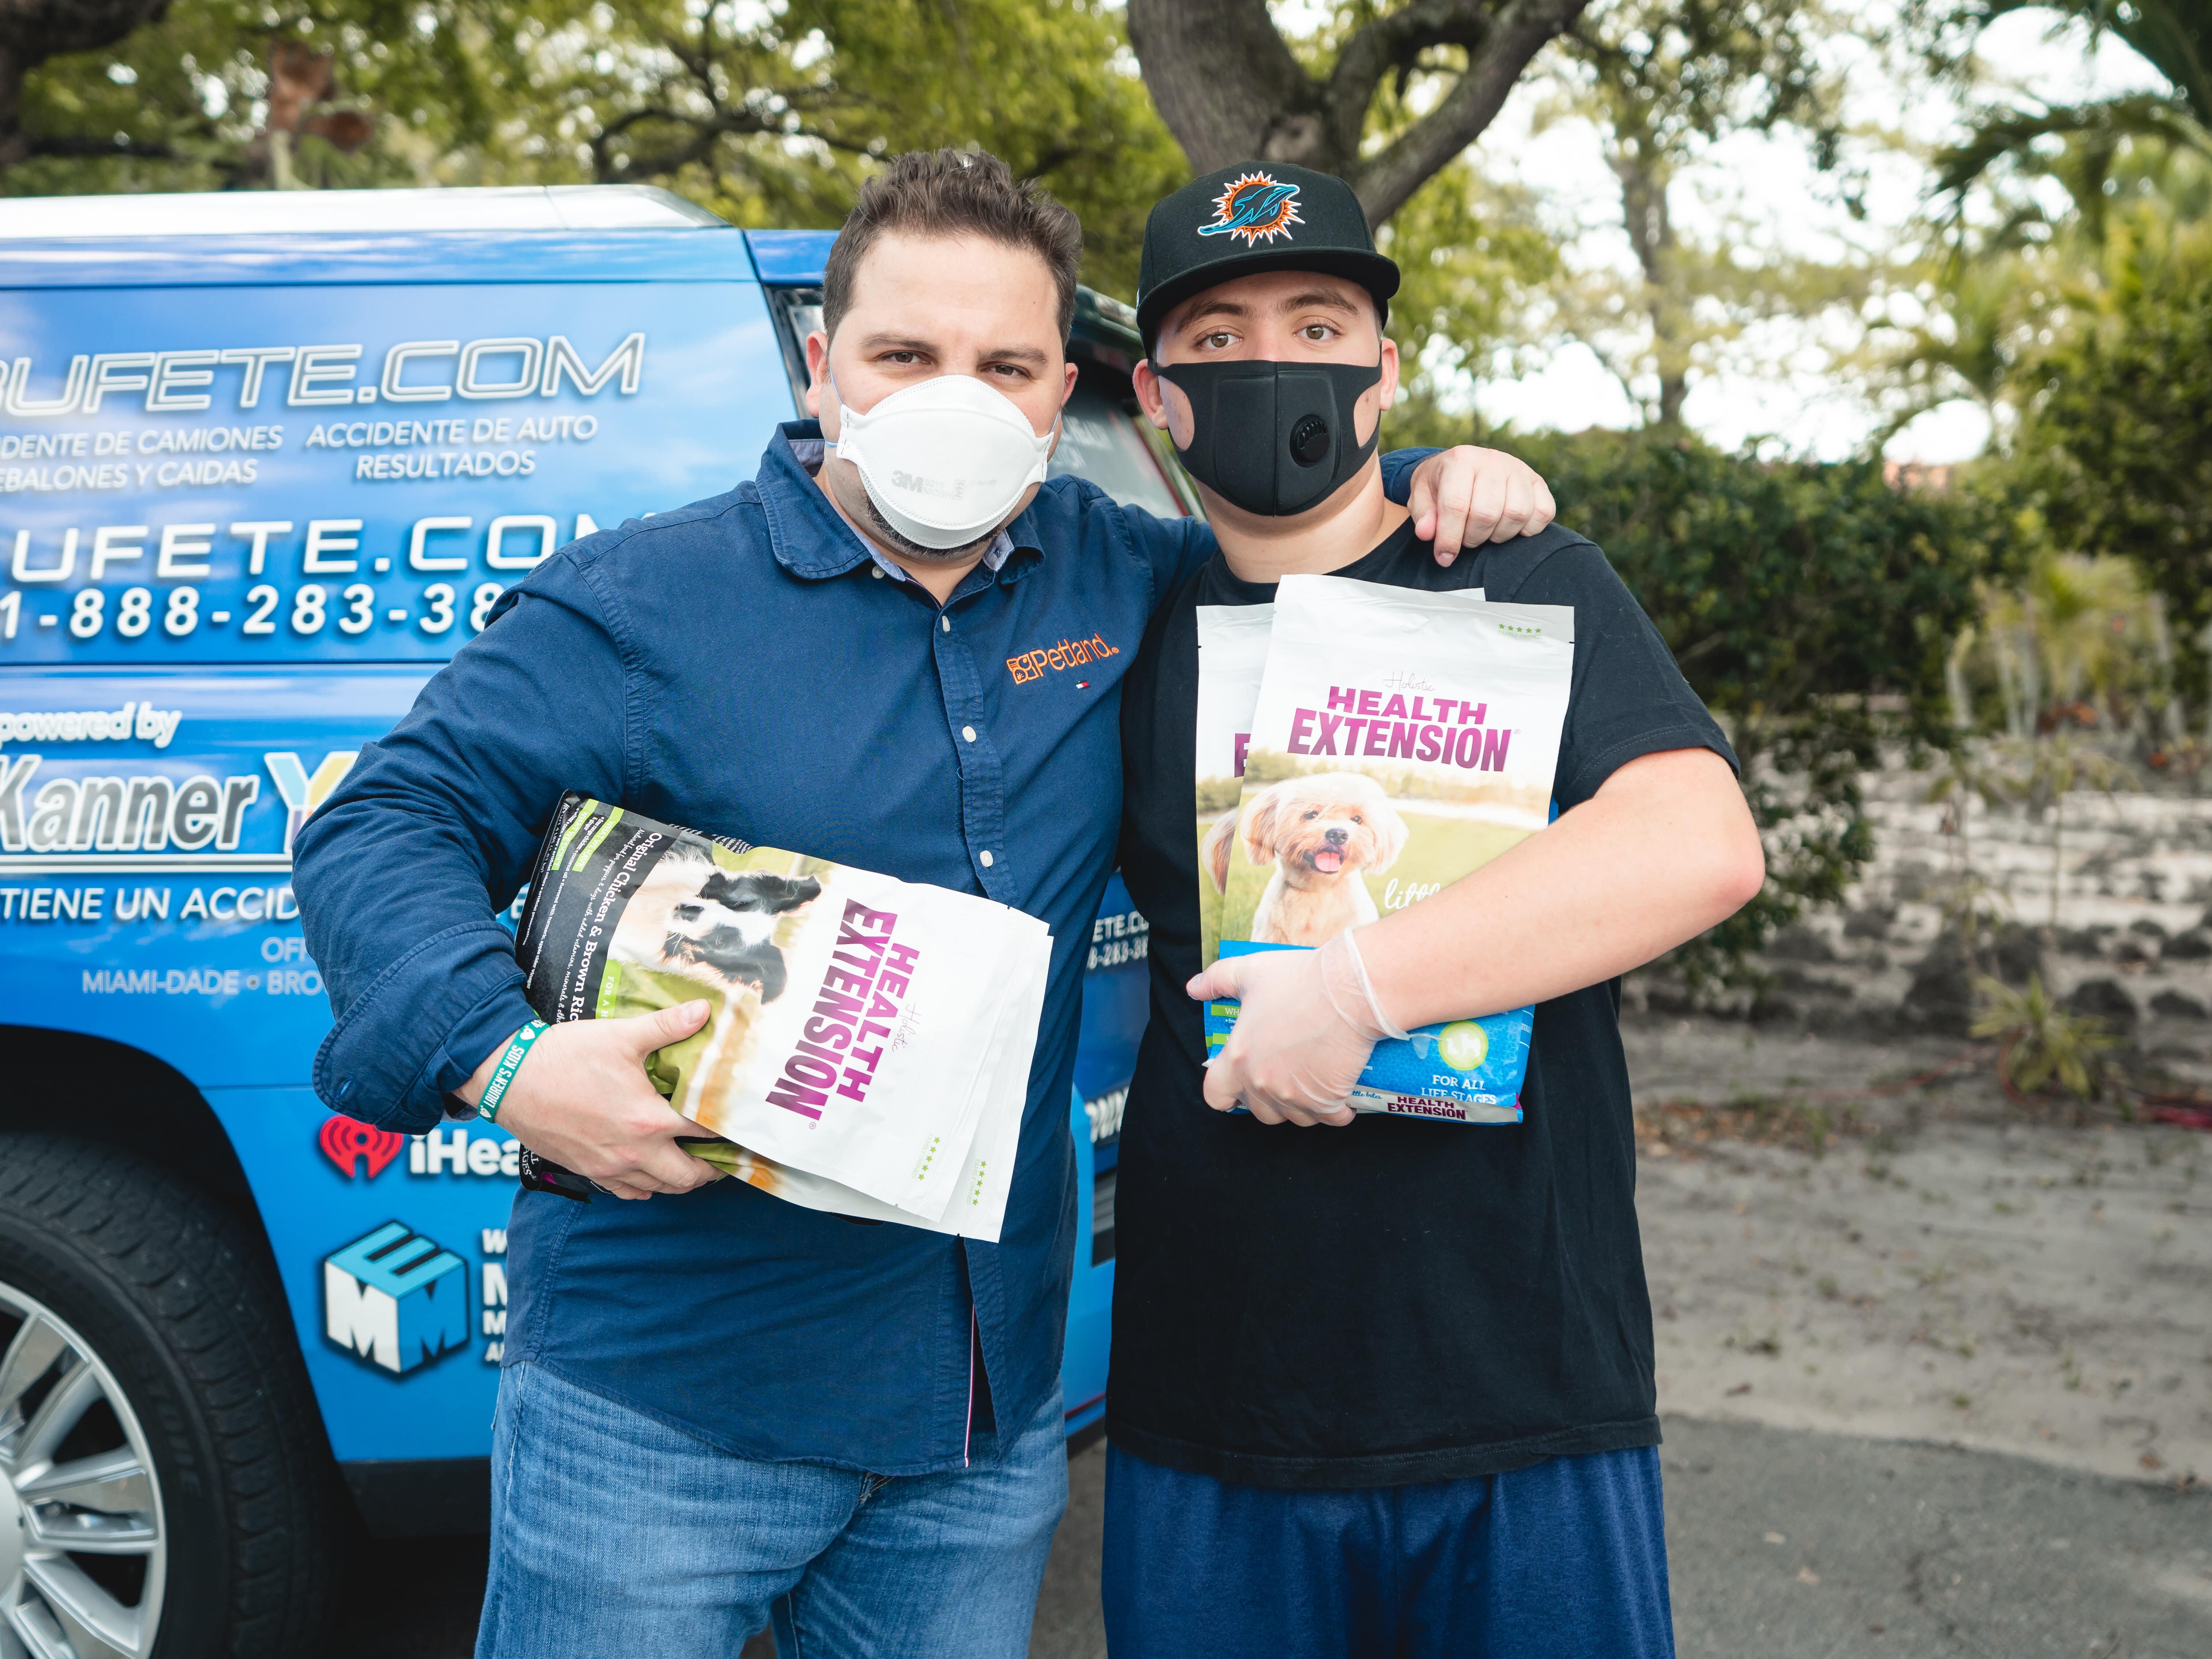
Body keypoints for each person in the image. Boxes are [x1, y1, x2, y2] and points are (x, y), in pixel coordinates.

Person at [292, 148, 1554, 1659]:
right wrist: (504, 1063)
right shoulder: (639, 603)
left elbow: (1301, 529)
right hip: (666, 1408)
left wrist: (1436, 480)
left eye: (1006, 364)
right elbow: (383, 819)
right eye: (907, 354)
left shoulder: (1122, 575)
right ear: (825, 366)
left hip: (980, 1423)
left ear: (1059, 394)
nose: (956, 396)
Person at [1104, 161, 1767, 1658]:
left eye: (1319, 321)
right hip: (1215, 1404)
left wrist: (1352, 991)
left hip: (1521, 1393)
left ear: (1385, 372)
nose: (1275, 361)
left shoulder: (1527, 578)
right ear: (1156, 394)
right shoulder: (1121, 626)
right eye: (1217, 339)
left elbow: (1699, 844)